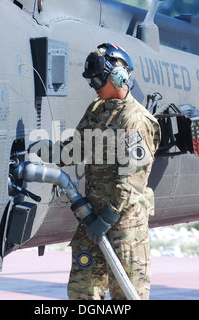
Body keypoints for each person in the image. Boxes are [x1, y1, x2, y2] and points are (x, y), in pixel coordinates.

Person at [63, 43, 161, 300]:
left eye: (98, 79)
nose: (93, 85)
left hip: (123, 229)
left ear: (119, 77)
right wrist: (38, 153)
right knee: (82, 292)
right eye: (91, 80)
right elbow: (75, 148)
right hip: (92, 221)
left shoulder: (135, 120)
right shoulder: (97, 110)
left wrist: (104, 221)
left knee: (126, 297)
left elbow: (130, 182)